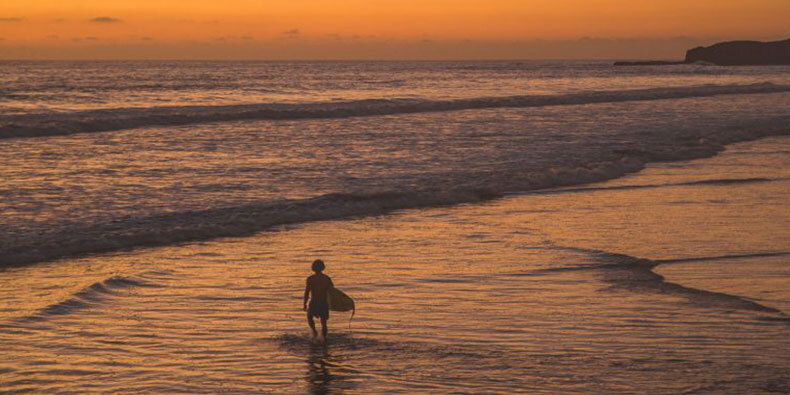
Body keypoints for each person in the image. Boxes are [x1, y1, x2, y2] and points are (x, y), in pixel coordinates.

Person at [303, 259, 334, 340]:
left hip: (314, 302)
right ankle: (324, 339)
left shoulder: (310, 279)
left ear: (313, 268)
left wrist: (304, 304)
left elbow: (307, 292)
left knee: (309, 317)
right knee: (324, 323)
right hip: (324, 303)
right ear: (323, 267)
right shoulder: (327, 278)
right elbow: (332, 291)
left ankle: (314, 332)